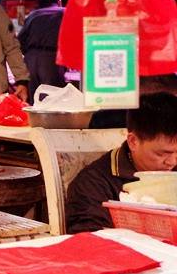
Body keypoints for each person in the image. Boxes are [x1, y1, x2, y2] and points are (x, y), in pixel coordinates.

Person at [67, 92, 177, 233]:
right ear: (133, 142)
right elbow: (89, 240)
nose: (172, 162)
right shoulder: (93, 183)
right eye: (162, 153)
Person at [18, 0, 67, 101]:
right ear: (58, 1)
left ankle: (33, 119)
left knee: (33, 99)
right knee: (52, 98)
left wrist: (30, 54)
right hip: (51, 58)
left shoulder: (33, 15)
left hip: (30, 59)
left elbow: (19, 41)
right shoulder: (64, 12)